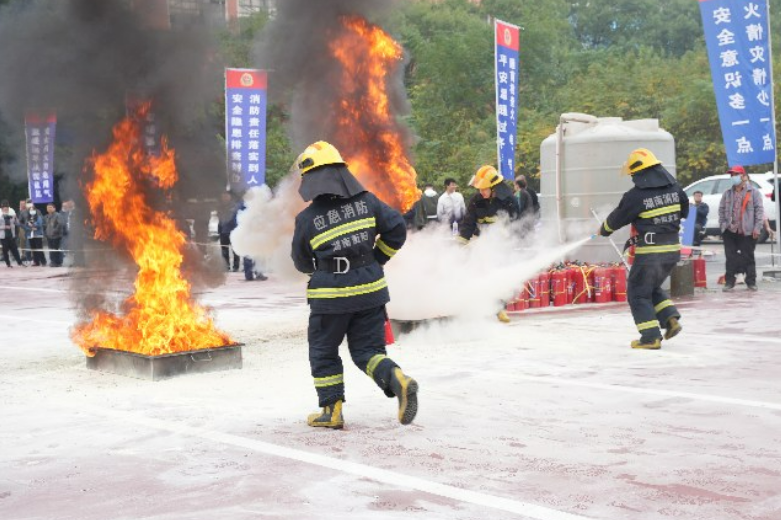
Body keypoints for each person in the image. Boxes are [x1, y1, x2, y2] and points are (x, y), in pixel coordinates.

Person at [291, 141, 418, 429]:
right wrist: (375, 259)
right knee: (367, 352)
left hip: (330, 298)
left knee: (323, 350)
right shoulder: (367, 202)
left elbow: (300, 262)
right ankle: (398, 378)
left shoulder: (307, 219)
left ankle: (331, 411)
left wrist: (321, 269)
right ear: (341, 172)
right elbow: (397, 228)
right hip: (370, 292)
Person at [597, 148, 688, 350]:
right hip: (672, 250)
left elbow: (617, 218)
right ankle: (670, 319)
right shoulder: (676, 189)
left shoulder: (636, 196)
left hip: (651, 254)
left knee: (637, 293)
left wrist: (603, 230)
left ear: (640, 172)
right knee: (651, 287)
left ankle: (650, 337)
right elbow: (684, 211)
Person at [459, 165, 520, 323]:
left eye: (484, 189)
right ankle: (479, 308)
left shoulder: (508, 201)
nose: (481, 192)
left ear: (494, 188)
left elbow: (517, 223)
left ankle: (500, 309)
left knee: (499, 277)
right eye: (479, 189)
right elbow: (468, 222)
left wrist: (507, 236)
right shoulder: (477, 200)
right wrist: (460, 243)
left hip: (501, 245)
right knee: (478, 275)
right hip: (481, 243)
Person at [718, 165, 764, 292]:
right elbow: (721, 210)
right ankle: (729, 282)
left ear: (743, 176)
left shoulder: (754, 193)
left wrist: (757, 228)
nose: (733, 177)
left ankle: (751, 282)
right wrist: (723, 225)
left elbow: (759, 211)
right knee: (730, 257)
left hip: (747, 231)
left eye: (736, 175)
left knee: (748, 256)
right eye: (732, 175)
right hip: (730, 230)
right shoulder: (727, 193)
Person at [217, 191, 240, 271]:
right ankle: (226, 266)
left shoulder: (234, 206)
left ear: (229, 197)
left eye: (226, 196)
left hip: (233, 231)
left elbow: (235, 219)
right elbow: (219, 220)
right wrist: (219, 231)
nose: (224, 198)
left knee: (235, 250)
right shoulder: (220, 206)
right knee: (224, 250)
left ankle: (236, 266)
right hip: (223, 232)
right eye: (223, 196)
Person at [0, 200, 24, 267]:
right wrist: (4, 227)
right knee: (5, 250)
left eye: (7, 208)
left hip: (12, 235)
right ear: (2, 208)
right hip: (3, 236)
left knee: (15, 249)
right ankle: (8, 263)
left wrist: (16, 218)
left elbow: (17, 223)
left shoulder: (12, 213)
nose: (6, 209)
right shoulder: (0, 215)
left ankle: (19, 262)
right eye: (4, 208)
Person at [44, 203, 65, 267]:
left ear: (54, 208)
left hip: (56, 236)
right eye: (48, 207)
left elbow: (60, 224)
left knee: (56, 250)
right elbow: (45, 225)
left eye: (50, 207)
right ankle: (53, 261)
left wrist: (54, 231)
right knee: (51, 250)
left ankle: (58, 262)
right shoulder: (47, 216)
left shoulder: (58, 215)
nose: (49, 209)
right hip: (49, 236)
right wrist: (46, 232)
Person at [17, 200, 31, 264]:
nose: (22, 205)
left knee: (29, 241)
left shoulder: (31, 210)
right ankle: (23, 255)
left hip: (30, 227)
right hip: (22, 227)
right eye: (21, 204)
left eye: (23, 204)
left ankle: (31, 255)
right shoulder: (19, 211)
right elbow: (18, 220)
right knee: (22, 241)